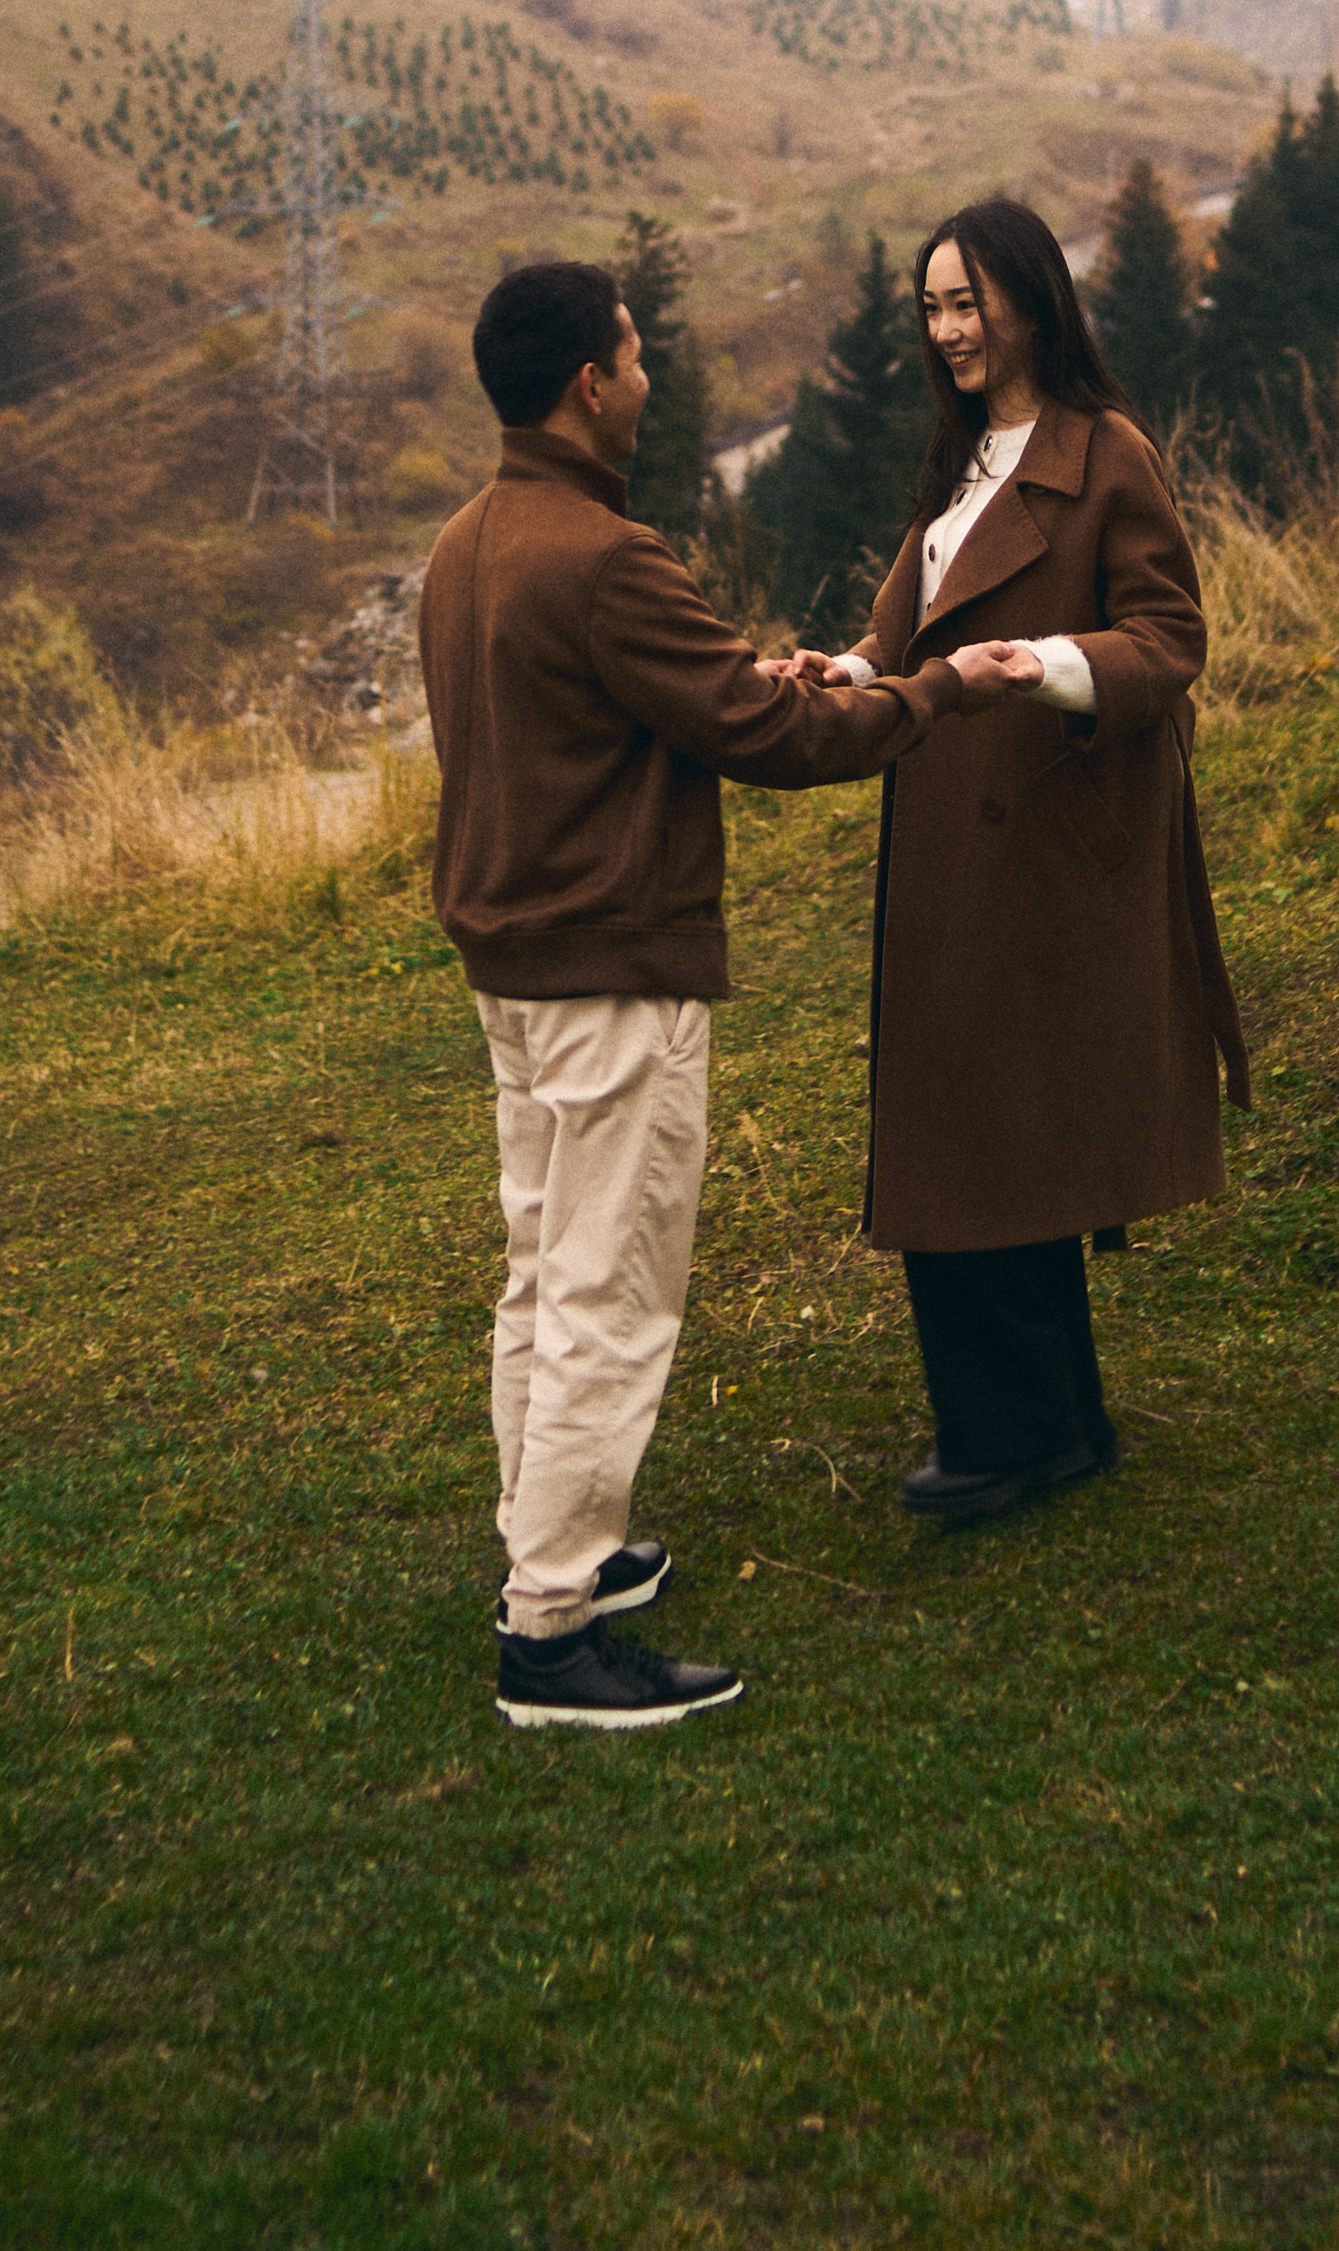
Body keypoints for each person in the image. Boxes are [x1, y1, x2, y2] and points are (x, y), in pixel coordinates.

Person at [420, 255, 1013, 1729]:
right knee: (609, 1294)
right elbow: (764, 737)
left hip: (516, 970)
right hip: (612, 968)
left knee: (543, 1268)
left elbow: (647, 698)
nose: (647, 377)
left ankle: (563, 1547)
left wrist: (766, 675)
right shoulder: (605, 555)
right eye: (632, 357)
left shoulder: (466, 545)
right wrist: (931, 693)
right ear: (585, 386)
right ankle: (551, 1632)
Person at [790, 194, 1249, 1530]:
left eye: (965, 304)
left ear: (1031, 304)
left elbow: (1168, 642)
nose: (945, 332)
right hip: (951, 829)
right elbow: (910, 621)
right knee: (970, 1119)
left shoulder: (1107, 455)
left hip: (1043, 840)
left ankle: (1025, 1434)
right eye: (930, 308)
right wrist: (852, 669)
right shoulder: (959, 461)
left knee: (1003, 1126)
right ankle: (1038, 1425)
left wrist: (1037, 669)